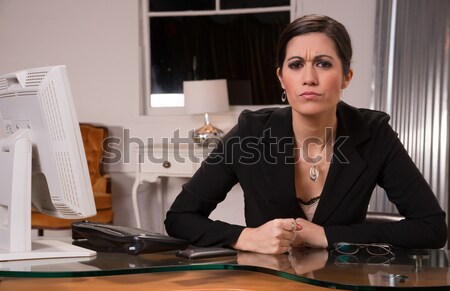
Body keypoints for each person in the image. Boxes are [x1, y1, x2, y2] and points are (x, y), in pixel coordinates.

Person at [164, 14, 447, 254]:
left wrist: (325, 236)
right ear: (281, 78)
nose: (308, 77)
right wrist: (247, 237)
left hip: (341, 281)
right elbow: (180, 218)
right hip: (267, 282)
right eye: (296, 65)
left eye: (323, 64)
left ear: (347, 77)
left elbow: (431, 227)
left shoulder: (374, 134)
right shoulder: (250, 134)